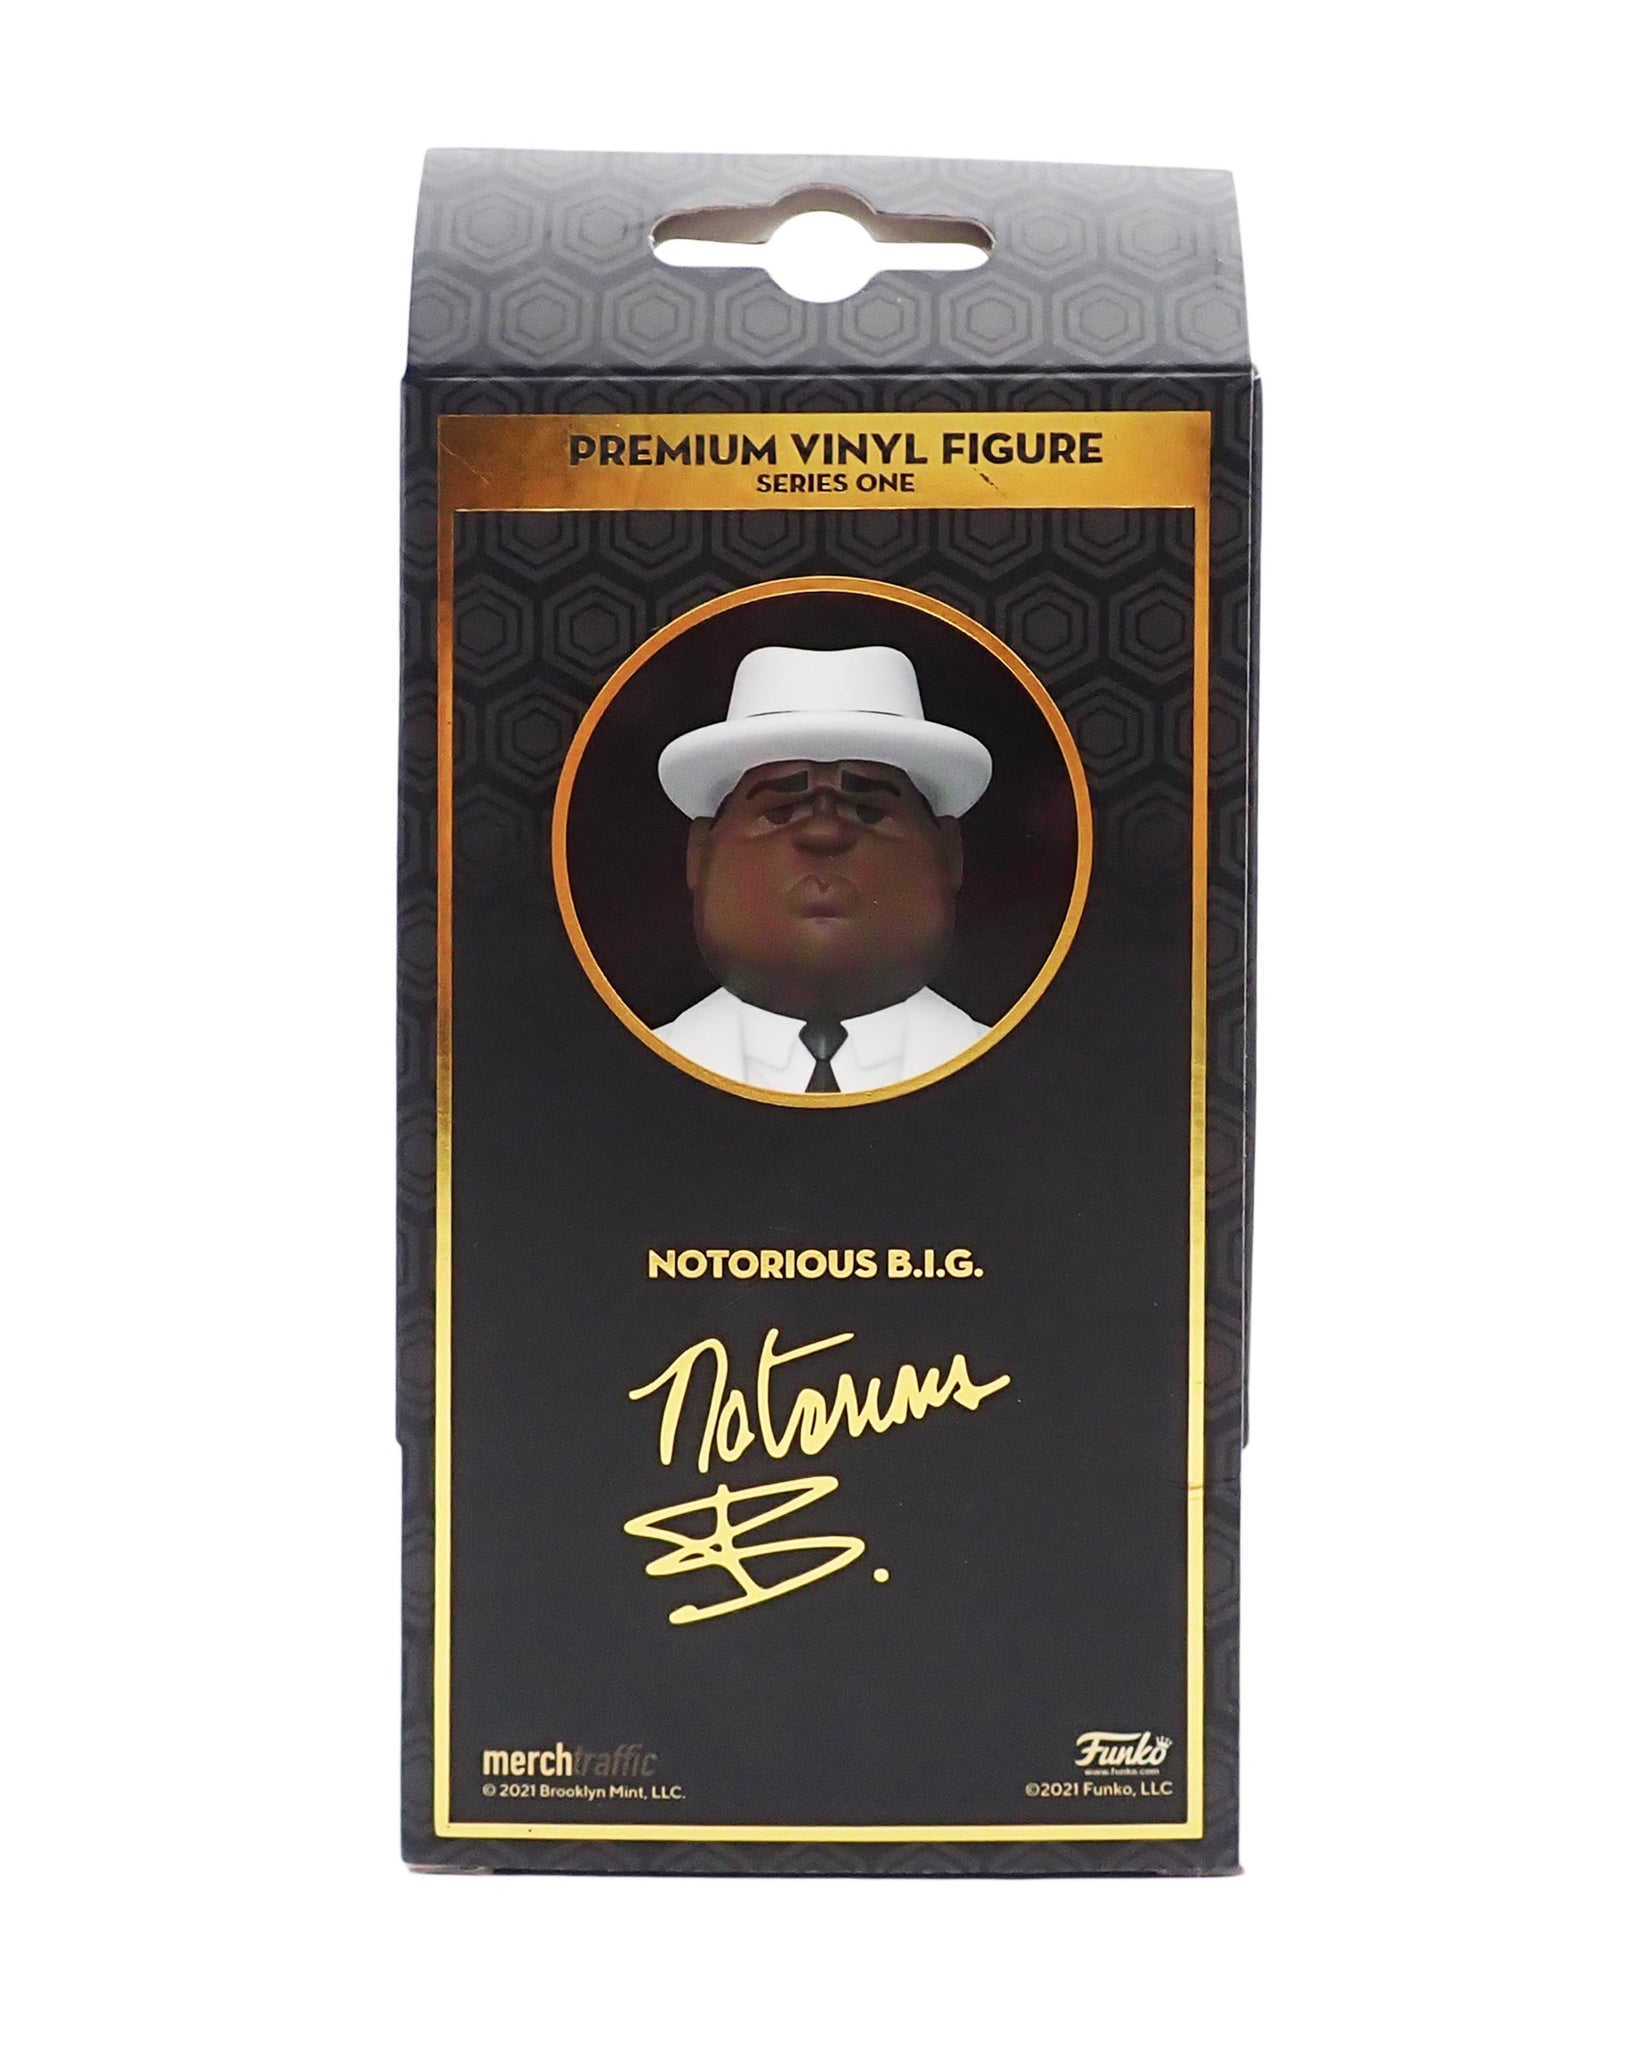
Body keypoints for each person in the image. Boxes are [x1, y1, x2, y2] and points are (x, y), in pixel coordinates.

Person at [654, 644, 993, 1094]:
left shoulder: (1027, 1082)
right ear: (699, 854)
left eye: (869, 810)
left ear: (949, 853)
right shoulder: (623, 1082)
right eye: (780, 811)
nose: (825, 832)